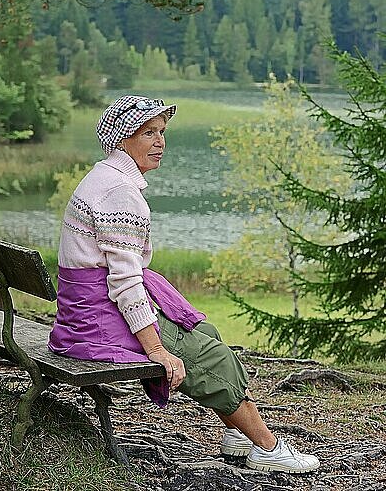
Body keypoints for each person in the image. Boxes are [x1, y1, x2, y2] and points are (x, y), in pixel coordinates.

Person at [48, 95, 320, 474]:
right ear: (122, 139)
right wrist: (157, 349)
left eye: (162, 132)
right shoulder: (118, 194)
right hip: (98, 320)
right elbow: (125, 285)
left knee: (203, 331)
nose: (160, 142)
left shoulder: (105, 178)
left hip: (82, 313)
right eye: (148, 133)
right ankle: (268, 449)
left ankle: (237, 433)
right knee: (212, 357)